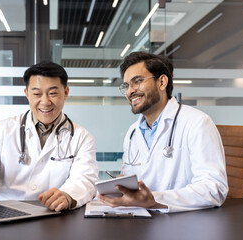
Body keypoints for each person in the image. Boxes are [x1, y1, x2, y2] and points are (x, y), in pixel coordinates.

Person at [0, 61, 99, 212]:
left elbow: (85, 179)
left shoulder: (82, 137)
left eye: (53, 93)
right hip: (3, 209)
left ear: (66, 92)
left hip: (51, 214)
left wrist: (67, 196)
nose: (45, 102)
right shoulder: (3, 129)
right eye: (37, 94)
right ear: (27, 94)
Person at [97, 52, 228, 212]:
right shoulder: (133, 132)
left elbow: (214, 188)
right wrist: (121, 188)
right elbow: (132, 179)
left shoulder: (197, 123)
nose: (130, 92)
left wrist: (154, 200)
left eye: (137, 82)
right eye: (126, 86)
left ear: (162, 82)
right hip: (142, 220)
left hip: (184, 224)